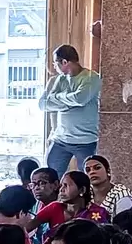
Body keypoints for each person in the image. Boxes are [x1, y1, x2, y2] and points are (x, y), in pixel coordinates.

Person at [38, 44, 101, 173]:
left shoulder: (91, 78)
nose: (54, 67)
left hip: (85, 140)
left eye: (56, 63)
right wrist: (69, 103)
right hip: (60, 139)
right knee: (51, 175)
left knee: (87, 178)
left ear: (65, 62)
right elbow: (43, 104)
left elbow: (80, 99)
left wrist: (58, 97)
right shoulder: (59, 80)